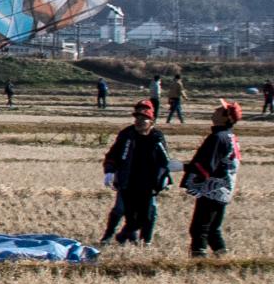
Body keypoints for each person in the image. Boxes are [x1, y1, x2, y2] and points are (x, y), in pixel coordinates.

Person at [101, 100, 172, 245]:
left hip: (148, 182)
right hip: (127, 180)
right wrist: (110, 171)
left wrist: (165, 178)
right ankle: (108, 237)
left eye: (143, 117)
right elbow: (113, 154)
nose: (138, 121)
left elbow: (164, 161)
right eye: (137, 116)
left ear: (151, 119)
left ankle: (145, 240)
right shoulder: (127, 134)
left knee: (150, 211)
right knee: (121, 209)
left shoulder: (157, 137)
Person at [181, 100, 242, 257]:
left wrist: (186, 170)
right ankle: (222, 259)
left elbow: (207, 165)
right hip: (225, 190)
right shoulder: (229, 137)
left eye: (219, 109)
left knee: (199, 228)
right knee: (213, 229)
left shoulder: (218, 137)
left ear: (226, 117)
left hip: (213, 189)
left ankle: (198, 260)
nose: (214, 110)